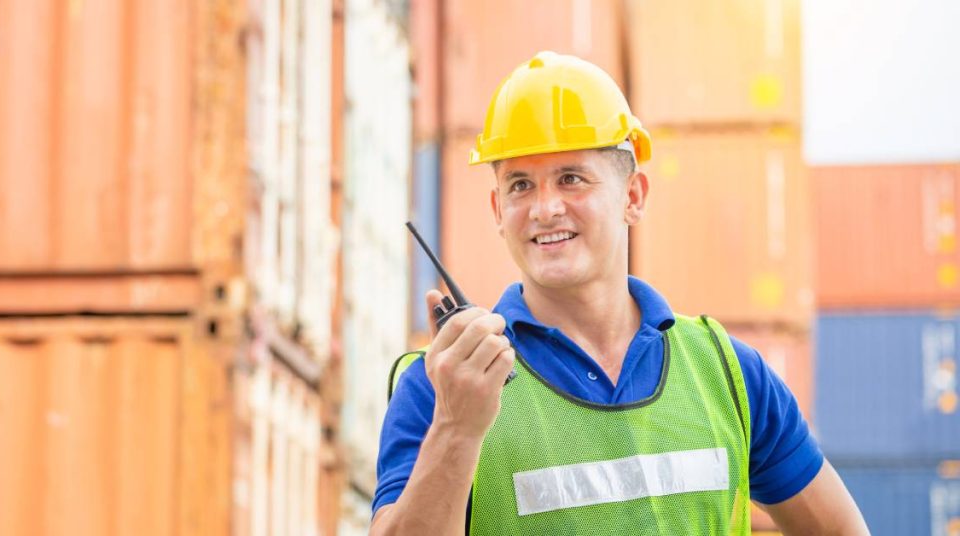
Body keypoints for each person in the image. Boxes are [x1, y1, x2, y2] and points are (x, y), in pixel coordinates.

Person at [369, 51, 868, 535]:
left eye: (571, 178)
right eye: (521, 185)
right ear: (498, 210)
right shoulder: (439, 389)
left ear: (633, 196)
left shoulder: (728, 375)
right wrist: (456, 428)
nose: (545, 209)